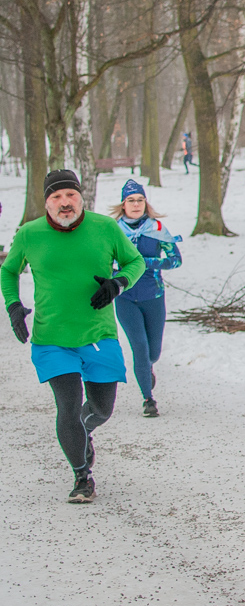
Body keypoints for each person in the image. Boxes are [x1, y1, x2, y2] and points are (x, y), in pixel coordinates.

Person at [2, 169, 145, 503]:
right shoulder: (29, 234)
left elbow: (135, 261)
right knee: (67, 407)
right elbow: (8, 270)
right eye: (56, 197)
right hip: (51, 338)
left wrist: (118, 283)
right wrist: (13, 306)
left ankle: (85, 428)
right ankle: (82, 476)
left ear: (81, 198)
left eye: (71, 195)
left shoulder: (105, 228)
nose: (64, 202)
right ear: (46, 202)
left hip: (99, 334)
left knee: (102, 409)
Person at [110, 179, 182, 418]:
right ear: (123, 204)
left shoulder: (157, 228)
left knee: (153, 352)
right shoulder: (113, 231)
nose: (136, 204)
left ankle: (148, 367)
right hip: (125, 296)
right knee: (139, 348)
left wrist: (144, 263)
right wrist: (114, 273)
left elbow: (175, 260)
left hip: (153, 295)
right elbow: (102, 262)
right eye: (131, 200)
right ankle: (148, 399)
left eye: (140, 200)